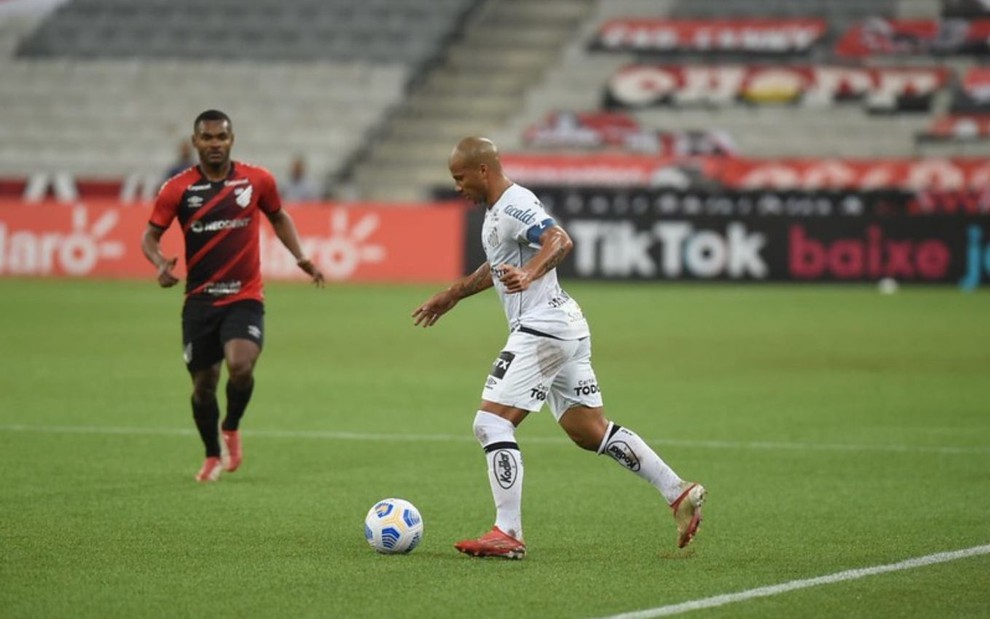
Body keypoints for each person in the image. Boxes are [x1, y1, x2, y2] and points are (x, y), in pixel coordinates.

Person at [412, 137, 706, 559]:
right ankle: (678, 492)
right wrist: (454, 293)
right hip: (565, 327)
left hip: (542, 330)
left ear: (483, 171)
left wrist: (530, 272)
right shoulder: (498, 212)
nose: (457, 187)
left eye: (459, 178)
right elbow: (496, 266)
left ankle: (507, 532)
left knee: (490, 424)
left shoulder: (515, 204)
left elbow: (560, 239)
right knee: (590, 431)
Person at [141, 109, 325, 483]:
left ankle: (232, 426)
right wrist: (160, 263)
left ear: (231, 140)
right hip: (200, 302)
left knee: (241, 366)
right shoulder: (177, 189)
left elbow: (278, 216)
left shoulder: (256, 180)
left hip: (245, 297)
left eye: (221, 137)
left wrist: (301, 256)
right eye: (207, 138)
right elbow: (149, 237)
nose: (214, 144)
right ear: (195, 142)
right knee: (203, 386)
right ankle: (211, 454)